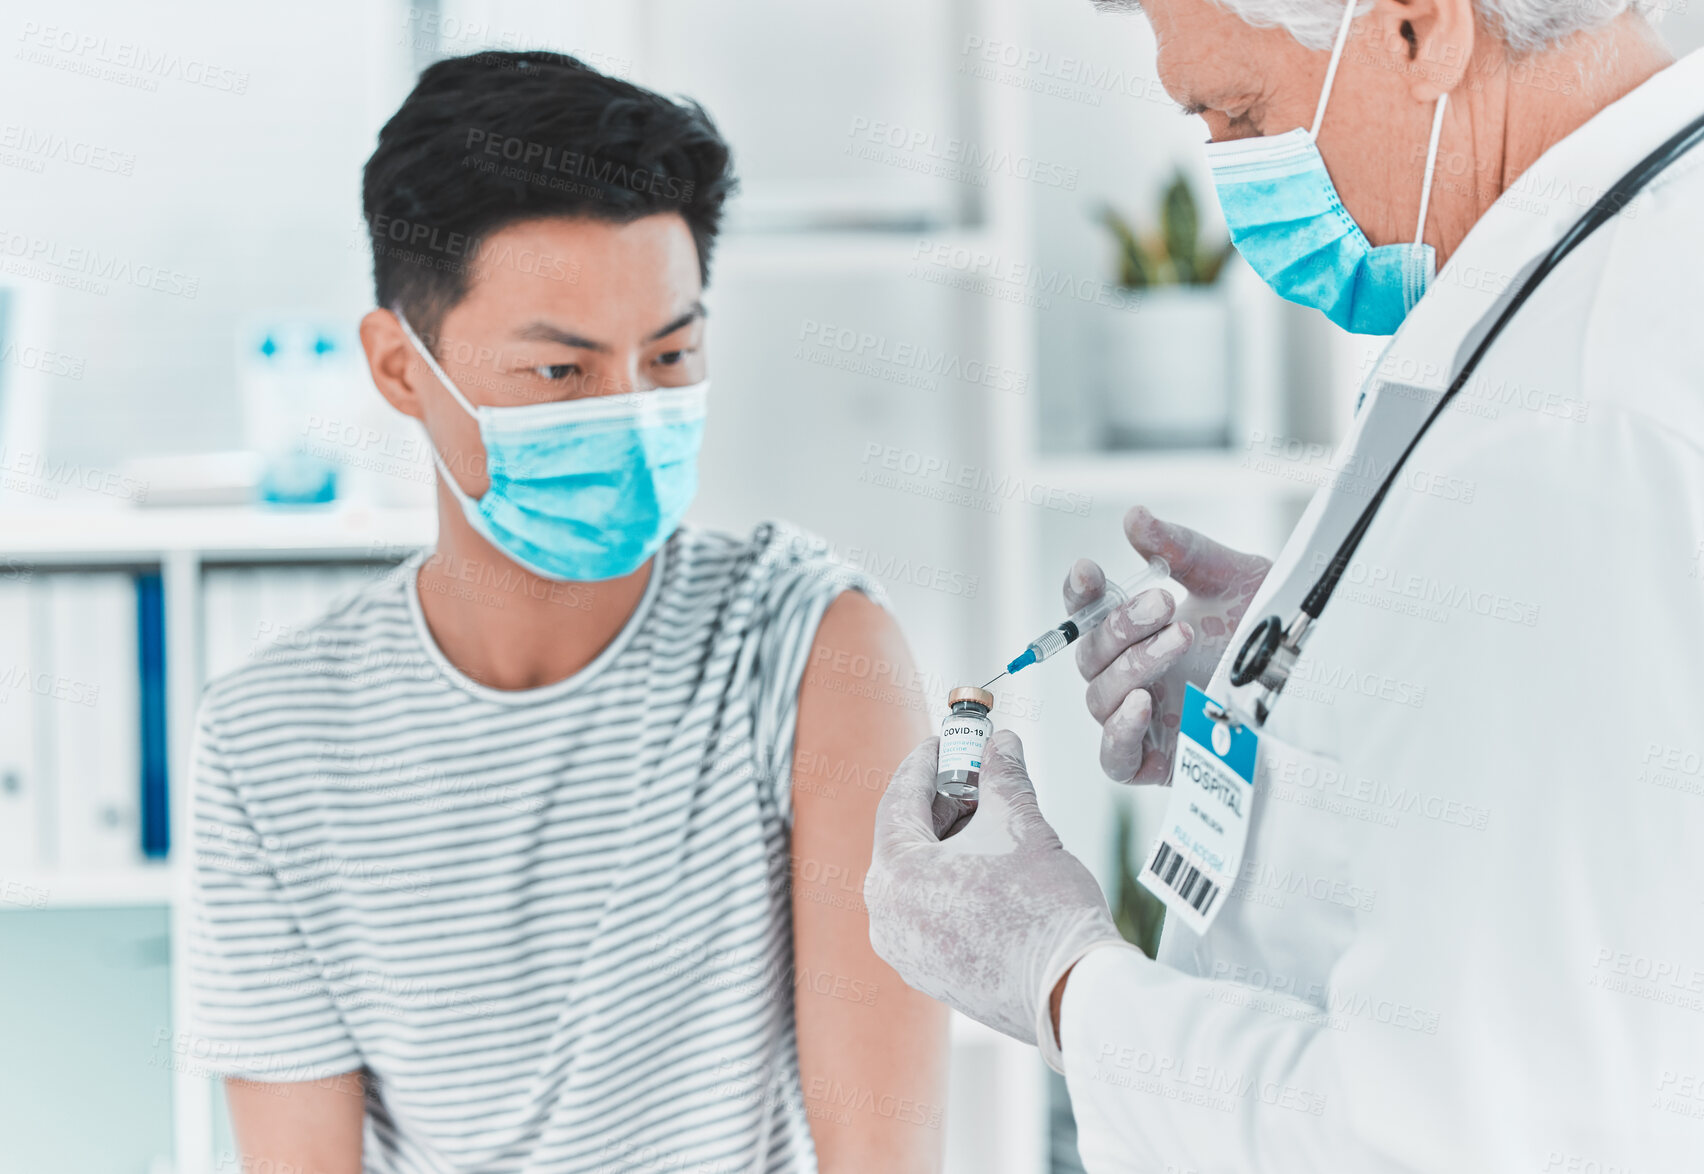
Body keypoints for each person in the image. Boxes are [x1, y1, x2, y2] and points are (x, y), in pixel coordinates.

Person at [866, 0, 1704, 1168]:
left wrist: (1054, 973)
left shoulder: (1569, 433)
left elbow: (1472, 1136)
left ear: (1419, 30)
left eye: (1238, 110)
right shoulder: (1620, 280)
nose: (1227, 173)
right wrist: (1329, 681)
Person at [188, 51, 947, 1174]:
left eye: (673, 354)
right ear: (402, 370)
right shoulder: (270, 745)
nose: (636, 417)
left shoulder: (810, 655)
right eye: (561, 374)